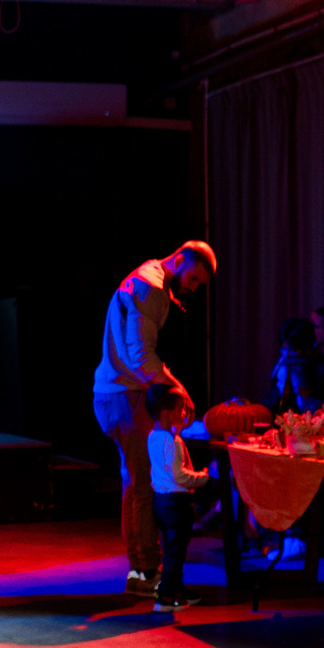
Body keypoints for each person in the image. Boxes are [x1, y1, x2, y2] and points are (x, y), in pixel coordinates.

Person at [93, 241, 215, 597]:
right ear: (178, 260)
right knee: (143, 486)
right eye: (192, 279)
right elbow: (141, 357)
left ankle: (140, 570)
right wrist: (177, 388)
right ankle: (147, 572)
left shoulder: (148, 277)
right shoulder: (150, 287)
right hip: (124, 397)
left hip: (113, 395)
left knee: (134, 485)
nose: (192, 289)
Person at [143, 382, 206, 611]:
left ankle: (177, 588)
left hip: (160, 501)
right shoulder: (173, 441)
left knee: (171, 549)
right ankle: (166, 596)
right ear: (167, 413)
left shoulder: (153, 436)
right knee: (176, 551)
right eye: (181, 409)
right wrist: (204, 477)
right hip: (177, 503)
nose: (185, 413)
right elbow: (180, 477)